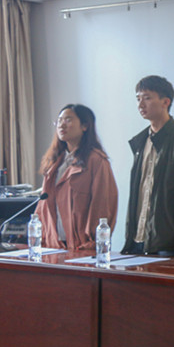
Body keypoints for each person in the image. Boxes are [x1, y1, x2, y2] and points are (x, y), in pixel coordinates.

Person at [121, 76, 174, 257]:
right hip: (137, 242)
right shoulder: (140, 142)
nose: (140, 104)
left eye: (147, 98)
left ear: (165, 102)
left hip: (169, 244)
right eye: (138, 99)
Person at [35, 104, 118, 251]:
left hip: (82, 245)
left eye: (68, 120)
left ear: (85, 126)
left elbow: (103, 204)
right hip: (53, 244)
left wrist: (93, 241)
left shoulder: (96, 160)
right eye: (59, 121)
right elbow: (43, 207)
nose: (62, 125)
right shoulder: (54, 162)